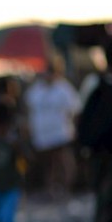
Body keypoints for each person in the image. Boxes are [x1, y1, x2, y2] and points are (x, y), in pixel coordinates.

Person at [78, 38, 112, 222]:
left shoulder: (92, 82)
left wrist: (81, 146)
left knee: (100, 192)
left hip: (94, 150)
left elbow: (79, 116)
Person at [24, 57, 81, 199]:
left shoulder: (64, 89)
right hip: (42, 135)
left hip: (61, 132)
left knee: (62, 160)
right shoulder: (36, 89)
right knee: (47, 163)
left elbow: (75, 110)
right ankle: (50, 187)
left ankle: (67, 187)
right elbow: (28, 109)